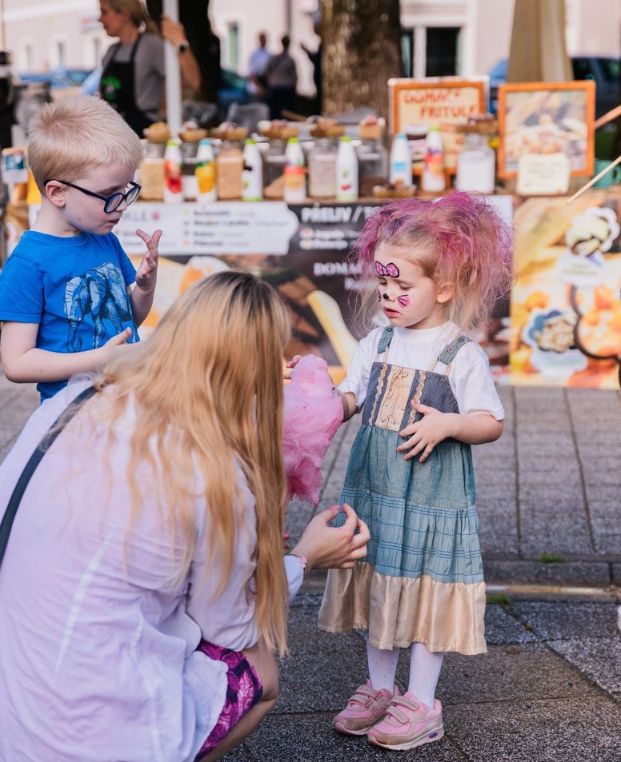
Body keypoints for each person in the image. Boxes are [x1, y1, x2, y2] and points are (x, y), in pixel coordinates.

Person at [0, 271, 370, 761]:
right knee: (259, 668)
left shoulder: (70, 401)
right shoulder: (213, 471)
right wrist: (303, 558)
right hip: (95, 739)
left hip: (12, 716)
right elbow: (231, 630)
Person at [318, 193, 512, 751]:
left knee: (426, 594)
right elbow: (351, 395)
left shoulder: (458, 354)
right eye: (384, 289)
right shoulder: (374, 342)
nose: (392, 299)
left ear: (445, 288)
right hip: (378, 489)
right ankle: (381, 689)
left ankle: (423, 703)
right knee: (379, 581)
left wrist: (449, 425)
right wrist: (320, 405)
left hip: (430, 496)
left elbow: (490, 421)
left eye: (405, 289)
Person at [0, 95, 160, 402]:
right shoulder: (27, 264)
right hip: (72, 417)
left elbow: (126, 322)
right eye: (110, 194)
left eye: (126, 191)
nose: (121, 206)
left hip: (125, 403)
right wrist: (99, 361)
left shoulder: (104, 239)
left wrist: (144, 288)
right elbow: (16, 363)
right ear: (57, 192)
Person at [98, 0, 201, 135]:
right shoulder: (111, 52)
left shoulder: (150, 46)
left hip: (142, 136)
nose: (100, 19)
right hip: (113, 137)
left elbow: (192, 81)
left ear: (124, 14)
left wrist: (180, 42)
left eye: (104, 12)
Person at [265, 34, 297, 119]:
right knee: (285, 113)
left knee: (275, 113)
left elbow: (267, 72)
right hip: (286, 88)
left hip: (275, 87)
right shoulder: (290, 59)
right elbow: (295, 76)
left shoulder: (274, 57)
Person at [247, 31, 270, 100]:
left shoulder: (268, 54)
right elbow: (252, 73)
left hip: (265, 85)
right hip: (256, 88)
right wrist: (259, 87)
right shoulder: (255, 54)